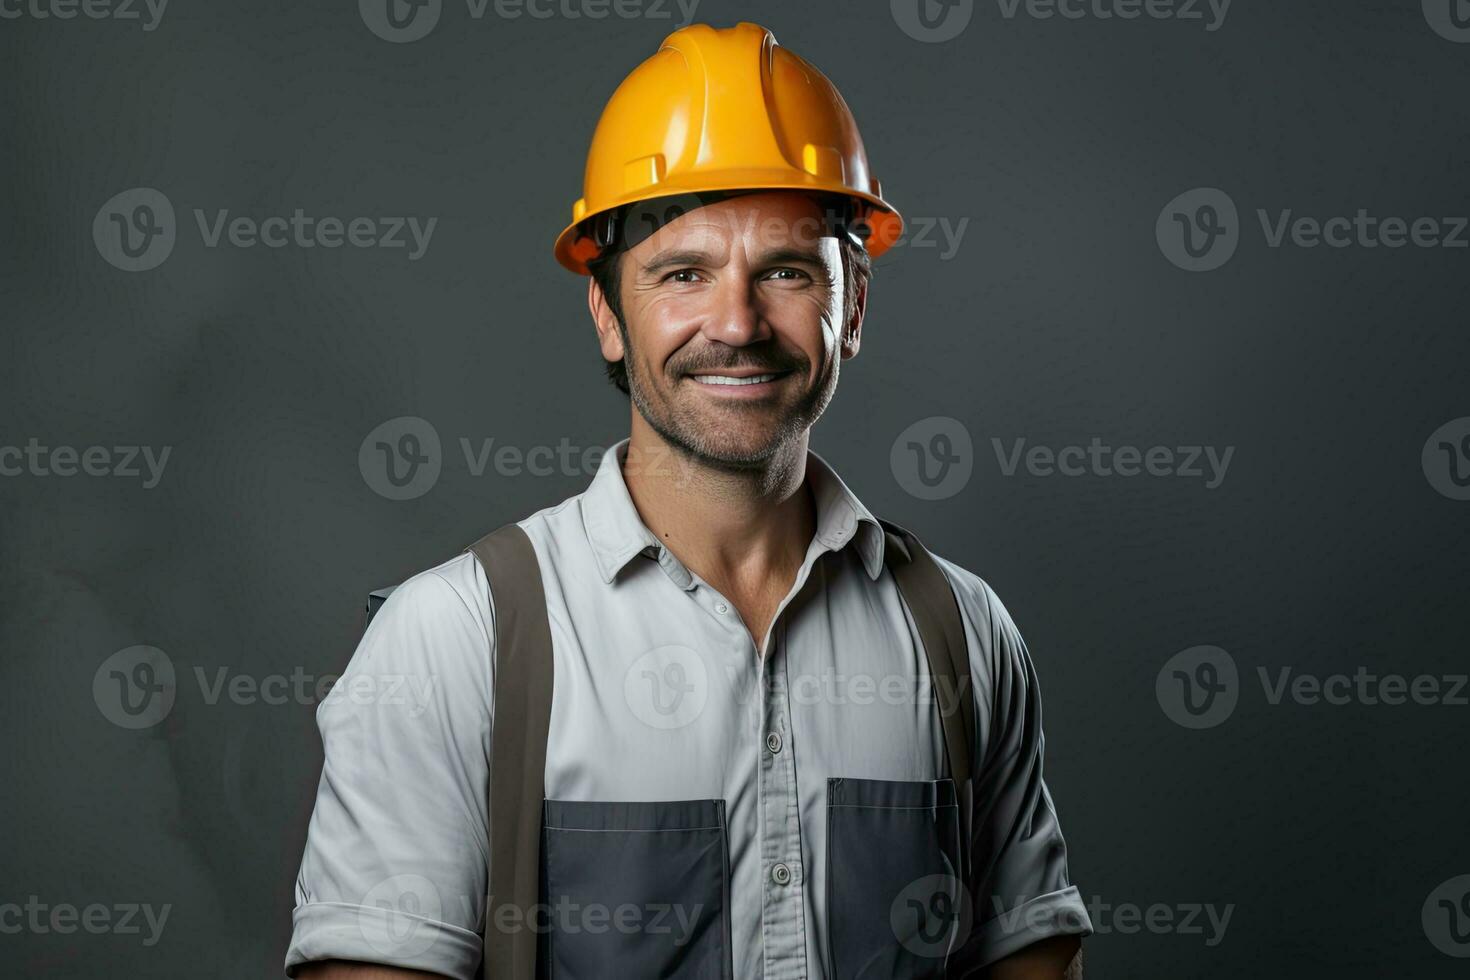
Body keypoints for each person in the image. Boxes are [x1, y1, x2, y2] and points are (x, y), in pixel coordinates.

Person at [287, 21, 1091, 979]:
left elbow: (1028, 961)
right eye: (683, 274)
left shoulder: (962, 632)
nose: (738, 323)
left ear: (856, 307)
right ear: (608, 315)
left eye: (787, 271)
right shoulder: (452, 643)